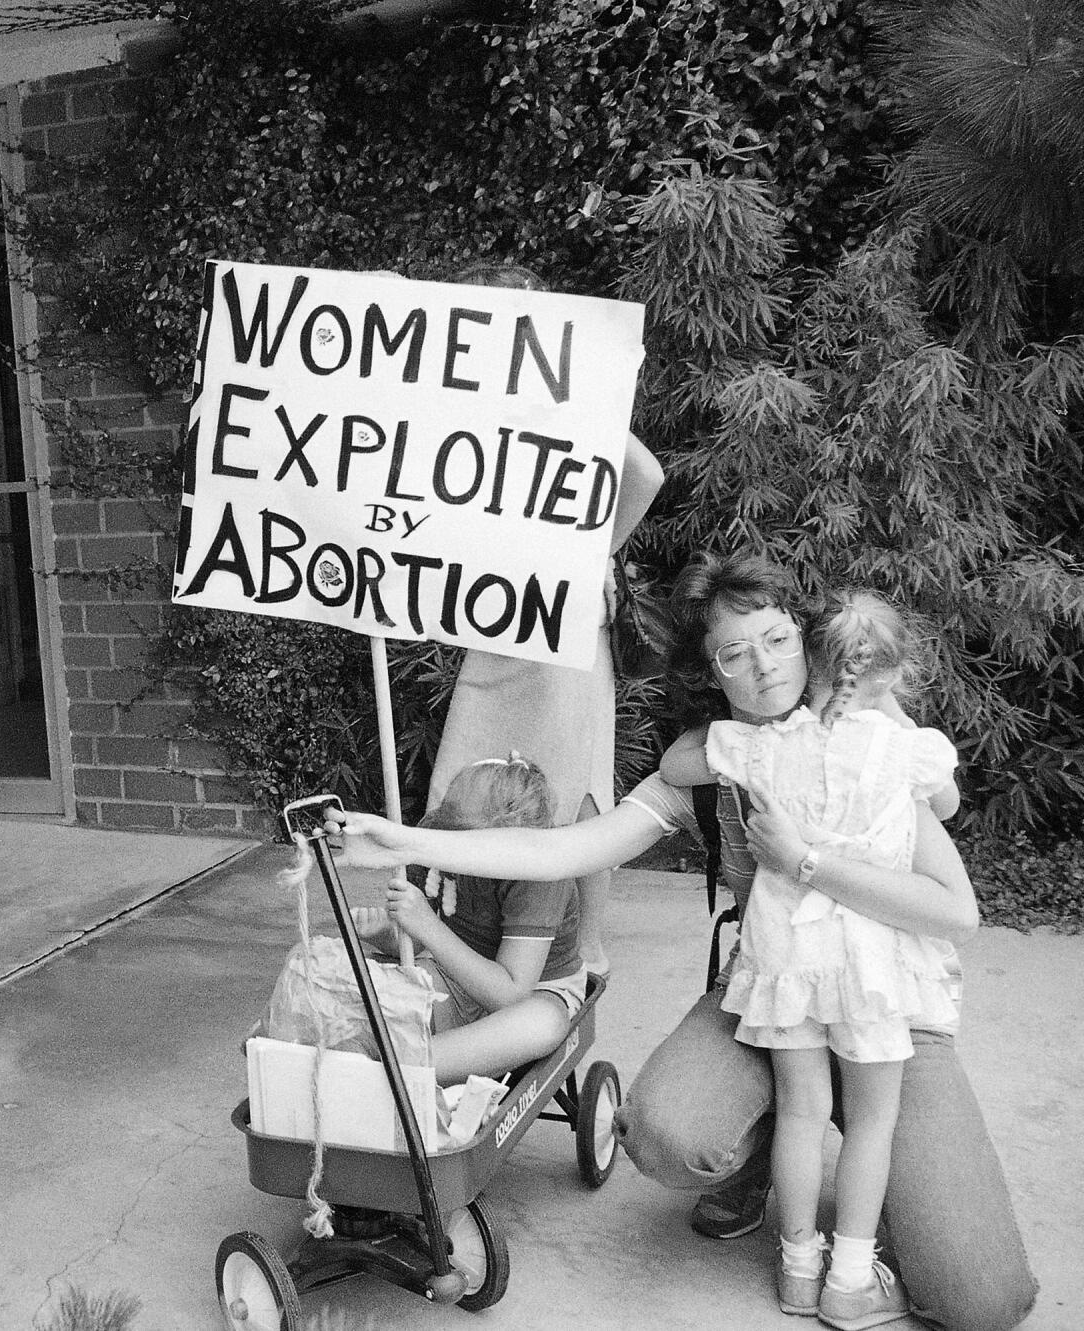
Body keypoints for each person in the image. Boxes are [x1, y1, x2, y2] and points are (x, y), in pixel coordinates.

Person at [326, 551, 1037, 1331]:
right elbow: (562, 849)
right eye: (734, 654)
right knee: (666, 1132)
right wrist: (402, 842)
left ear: (808, 637)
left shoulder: (870, 738)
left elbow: (956, 909)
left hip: (890, 1009)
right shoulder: (717, 757)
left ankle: (889, 1195)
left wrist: (804, 858)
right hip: (777, 990)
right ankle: (765, 1141)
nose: (762, 667)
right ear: (713, 674)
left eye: (775, 639)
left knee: (981, 1301)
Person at [689, 590, 963, 1325]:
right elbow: (946, 804)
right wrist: (892, 716)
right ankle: (849, 1278)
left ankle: (798, 1266)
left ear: (812, 660)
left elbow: (692, 758)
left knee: (803, 1114)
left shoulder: (761, 745)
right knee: (871, 1122)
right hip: (868, 964)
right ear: (899, 670)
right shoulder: (908, 750)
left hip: (787, 956)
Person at [422, 261, 664, 978]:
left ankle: (587, 941)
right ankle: (450, 921)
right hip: (493, 628)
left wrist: (574, 393)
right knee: (462, 774)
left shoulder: (568, 412)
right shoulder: (463, 416)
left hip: (560, 635)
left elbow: (645, 475)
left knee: (575, 786)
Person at [354, 753, 587, 1083]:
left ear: (503, 836)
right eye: (445, 827)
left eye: (458, 832)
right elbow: (417, 942)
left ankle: (393, 1070)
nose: (446, 838)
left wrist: (426, 924)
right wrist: (389, 936)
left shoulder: (539, 872)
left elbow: (510, 994)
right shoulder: (437, 839)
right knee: (353, 987)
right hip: (455, 976)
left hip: (536, 991)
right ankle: (381, 1058)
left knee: (543, 1024)